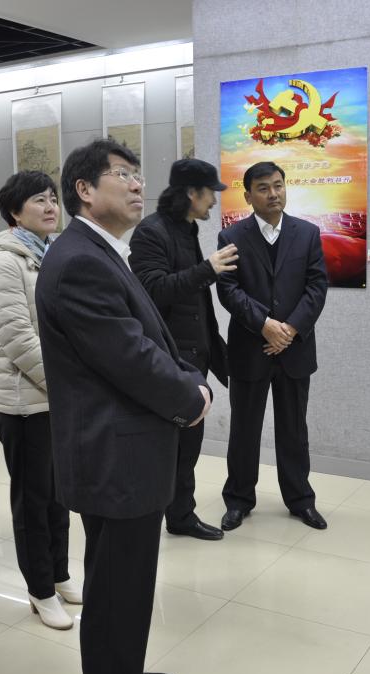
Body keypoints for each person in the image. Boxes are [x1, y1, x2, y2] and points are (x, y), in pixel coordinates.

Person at [36, 139, 210, 674]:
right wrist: (191, 398)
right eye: (122, 175)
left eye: (138, 175)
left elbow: (145, 338)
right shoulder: (80, 261)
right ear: (84, 190)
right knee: (118, 591)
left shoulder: (100, 251)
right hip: (115, 458)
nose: (138, 185)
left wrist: (187, 375)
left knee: (124, 587)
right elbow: (130, 358)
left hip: (121, 453)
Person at [0, 170, 81, 630]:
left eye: (52, 199)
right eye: (39, 200)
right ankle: (40, 590)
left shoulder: (49, 253)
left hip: (54, 399)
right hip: (25, 404)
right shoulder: (6, 260)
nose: (50, 207)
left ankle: (59, 574)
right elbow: (17, 338)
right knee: (32, 502)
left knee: (59, 496)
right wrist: (64, 384)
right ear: (14, 211)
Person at [216, 161, 329, 532]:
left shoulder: (307, 233)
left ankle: (300, 501)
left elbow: (316, 287)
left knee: (294, 430)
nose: (273, 194)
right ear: (248, 196)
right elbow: (228, 290)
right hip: (250, 349)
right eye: (263, 188)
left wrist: (290, 329)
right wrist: (264, 324)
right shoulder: (231, 237)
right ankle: (238, 501)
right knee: (244, 430)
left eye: (278, 185)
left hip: (295, 349)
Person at [129, 158, 237, 541]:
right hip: (169, 357)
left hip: (194, 355)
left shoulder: (186, 229)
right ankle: (153, 517)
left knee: (189, 441)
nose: (214, 201)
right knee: (166, 444)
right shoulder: (151, 232)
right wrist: (208, 269)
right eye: (210, 193)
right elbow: (153, 289)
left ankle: (181, 515)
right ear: (192, 193)